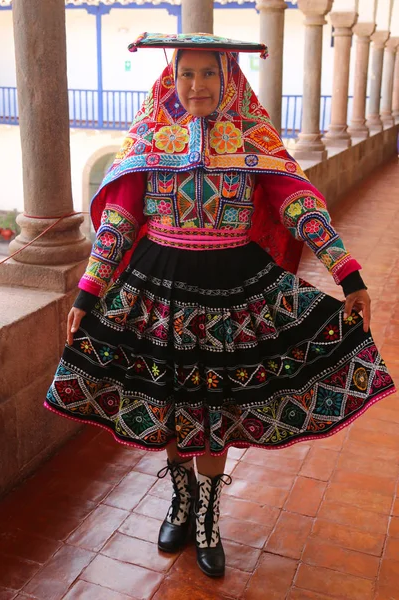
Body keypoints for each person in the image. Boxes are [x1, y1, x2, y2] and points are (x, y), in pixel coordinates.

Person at [45, 33, 395, 578]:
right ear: (172, 77)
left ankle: (207, 515)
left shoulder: (254, 143)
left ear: (229, 78)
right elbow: (119, 221)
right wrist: (90, 291)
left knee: (215, 407)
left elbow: (299, 207)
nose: (197, 84)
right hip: (158, 285)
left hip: (234, 287)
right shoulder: (150, 141)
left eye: (209, 73)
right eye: (187, 73)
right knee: (173, 399)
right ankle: (181, 501)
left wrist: (349, 276)